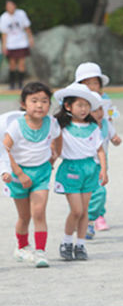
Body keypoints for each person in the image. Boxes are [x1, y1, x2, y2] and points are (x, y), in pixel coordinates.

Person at [3, 82, 62, 268]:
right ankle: (21, 247)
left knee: (39, 212)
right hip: (18, 175)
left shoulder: (51, 123)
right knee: (25, 216)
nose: (40, 105)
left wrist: (54, 156)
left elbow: (57, 138)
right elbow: (4, 149)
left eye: (44, 101)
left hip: (41, 174)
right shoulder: (16, 126)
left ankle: (41, 251)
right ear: (23, 104)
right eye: (34, 101)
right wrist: (19, 174)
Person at [53, 83, 107, 261]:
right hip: (70, 170)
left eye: (87, 105)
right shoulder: (61, 127)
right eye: (80, 105)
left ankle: (81, 244)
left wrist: (104, 170)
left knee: (85, 211)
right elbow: (53, 146)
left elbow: (100, 150)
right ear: (68, 106)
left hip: (90, 170)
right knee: (76, 210)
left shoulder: (93, 128)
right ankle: (67, 241)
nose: (84, 109)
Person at [74, 61, 120, 232]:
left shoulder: (105, 100)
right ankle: (85, 215)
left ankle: (97, 215)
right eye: (87, 83)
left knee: (99, 187)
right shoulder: (77, 102)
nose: (92, 86)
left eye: (95, 82)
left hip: (101, 151)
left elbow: (108, 120)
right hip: (82, 153)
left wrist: (113, 135)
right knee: (84, 188)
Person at [86, 99, 122, 239]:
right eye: (94, 110)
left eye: (101, 109)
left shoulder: (106, 124)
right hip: (85, 162)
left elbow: (113, 137)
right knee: (82, 194)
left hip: (101, 162)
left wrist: (116, 140)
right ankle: (82, 218)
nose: (99, 113)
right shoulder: (85, 126)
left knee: (100, 192)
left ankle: (92, 218)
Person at [0, 0, 34, 90]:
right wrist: (4, 45)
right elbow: (4, 34)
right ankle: (12, 84)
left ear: (15, 6)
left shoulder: (21, 14)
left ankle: (20, 83)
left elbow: (27, 27)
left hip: (21, 42)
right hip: (11, 44)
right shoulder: (3, 17)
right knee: (12, 64)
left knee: (22, 64)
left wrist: (30, 38)